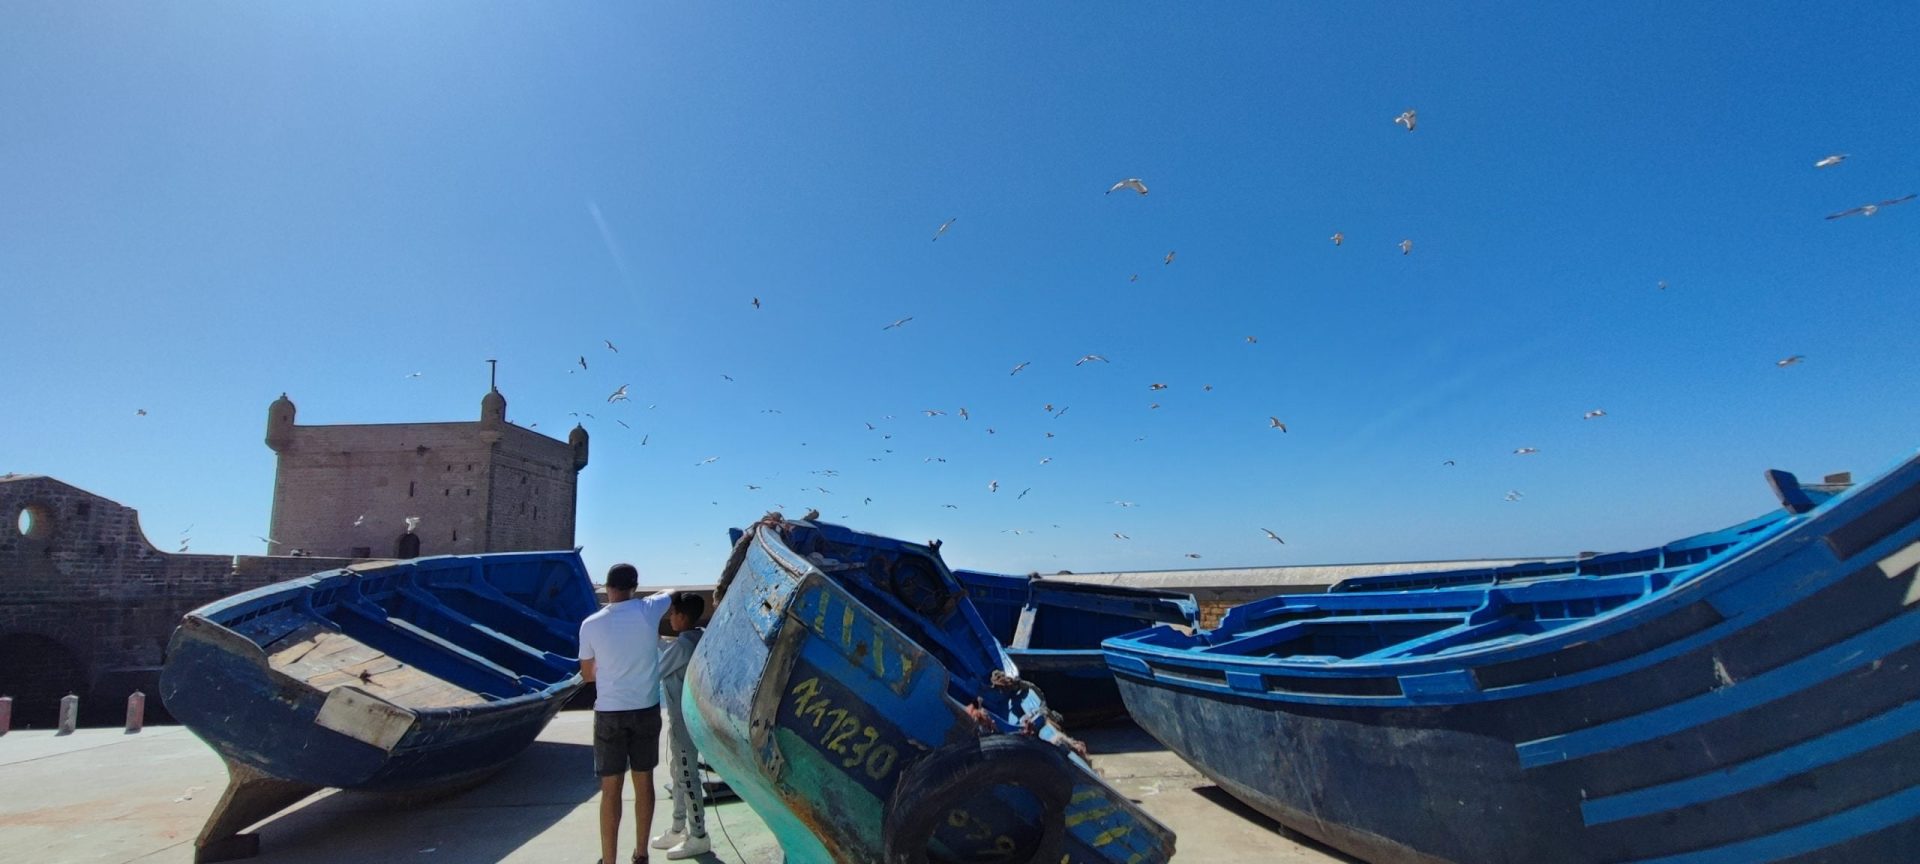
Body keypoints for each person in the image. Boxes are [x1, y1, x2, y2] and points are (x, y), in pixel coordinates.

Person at [579, 563, 674, 864]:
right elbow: (672, 593)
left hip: (609, 712)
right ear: (634, 587)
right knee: (643, 781)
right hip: (645, 709)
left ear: (607, 588)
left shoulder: (591, 623)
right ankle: (641, 854)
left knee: (611, 789)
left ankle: (609, 860)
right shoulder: (648, 610)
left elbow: (587, 675)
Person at [650, 592, 709, 860]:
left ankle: (698, 835)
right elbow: (671, 651)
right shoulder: (696, 638)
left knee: (687, 776)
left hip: (683, 724)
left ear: (682, 617)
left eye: (672, 614)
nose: (669, 618)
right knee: (678, 773)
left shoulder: (684, 647)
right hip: (688, 722)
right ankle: (677, 828)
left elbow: (656, 670)